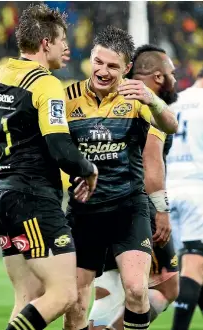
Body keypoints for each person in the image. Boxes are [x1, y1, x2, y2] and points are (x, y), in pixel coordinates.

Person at [0, 4, 98, 330]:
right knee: (63, 294)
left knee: (27, 299)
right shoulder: (46, 84)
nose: (67, 47)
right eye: (62, 40)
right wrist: (88, 168)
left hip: (1, 196)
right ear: (46, 44)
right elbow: (61, 150)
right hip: (32, 198)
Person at [63, 27, 178, 330]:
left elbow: (171, 124)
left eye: (112, 66)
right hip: (84, 212)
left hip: (128, 209)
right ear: (90, 58)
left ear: (127, 68)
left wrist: (152, 99)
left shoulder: (137, 96)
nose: (102, 70)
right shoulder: (66, 98)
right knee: (74, 302)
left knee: (137, 289)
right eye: (98, 62)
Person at [167, 67, 203, 330]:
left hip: (168, 191)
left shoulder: (175, 101)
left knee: (196, 268)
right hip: (197, 191)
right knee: (193, 266)